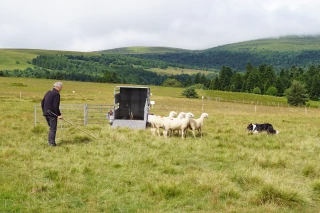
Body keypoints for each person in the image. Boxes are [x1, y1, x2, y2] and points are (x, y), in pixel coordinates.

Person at [41, 82, 63, 146]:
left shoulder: (48, 92)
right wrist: (59, 115)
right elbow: (56, 105)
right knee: (53, 128)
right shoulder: (56, 94)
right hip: (52, 114)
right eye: (61, 88)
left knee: (51, 128)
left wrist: (44, 111)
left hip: (46, 113)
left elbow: (42, 102)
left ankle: (50, 142)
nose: (61, 89)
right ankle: (52, 143)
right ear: (59, 87)